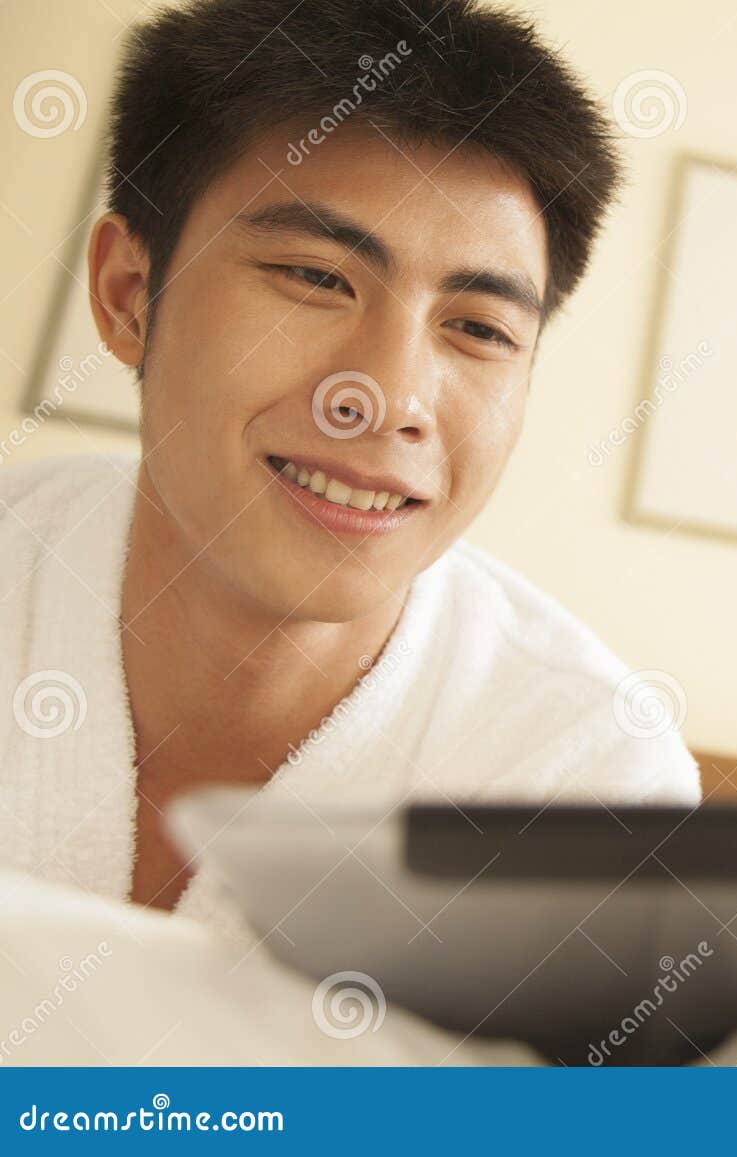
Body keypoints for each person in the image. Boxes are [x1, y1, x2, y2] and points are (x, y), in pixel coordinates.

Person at [0, 0, 698, 941]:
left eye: (481, 329)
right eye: (316, 278)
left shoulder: (583, 779)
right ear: (130, 294)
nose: (387, 397)